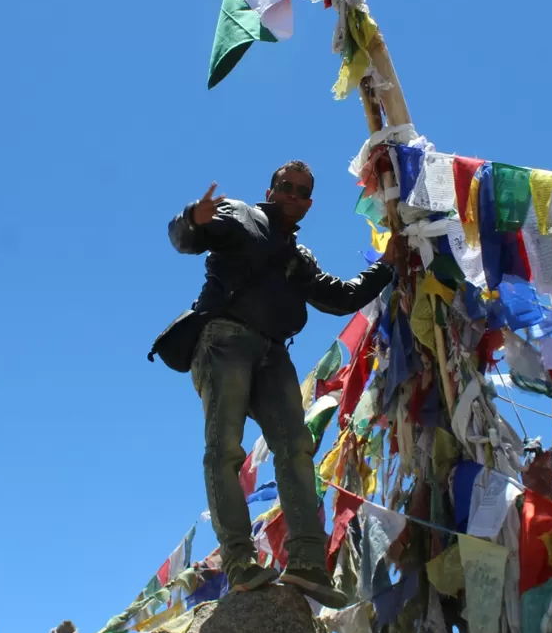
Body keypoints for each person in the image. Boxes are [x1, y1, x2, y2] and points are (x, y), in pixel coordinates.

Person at [168, 160, 397, 607]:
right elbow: (185, 239)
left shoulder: (299, 256)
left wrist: (386, 266)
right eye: (285, 187)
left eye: (301, 191)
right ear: (270, 190)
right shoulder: (236, 215)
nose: (292, 195)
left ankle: (308, 563)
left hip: (274, 353)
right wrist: (190, 219)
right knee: (225, 449)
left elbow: (340, 297)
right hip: (225, 339)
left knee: (296, 446)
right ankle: (239, 562)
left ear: (309, 204)